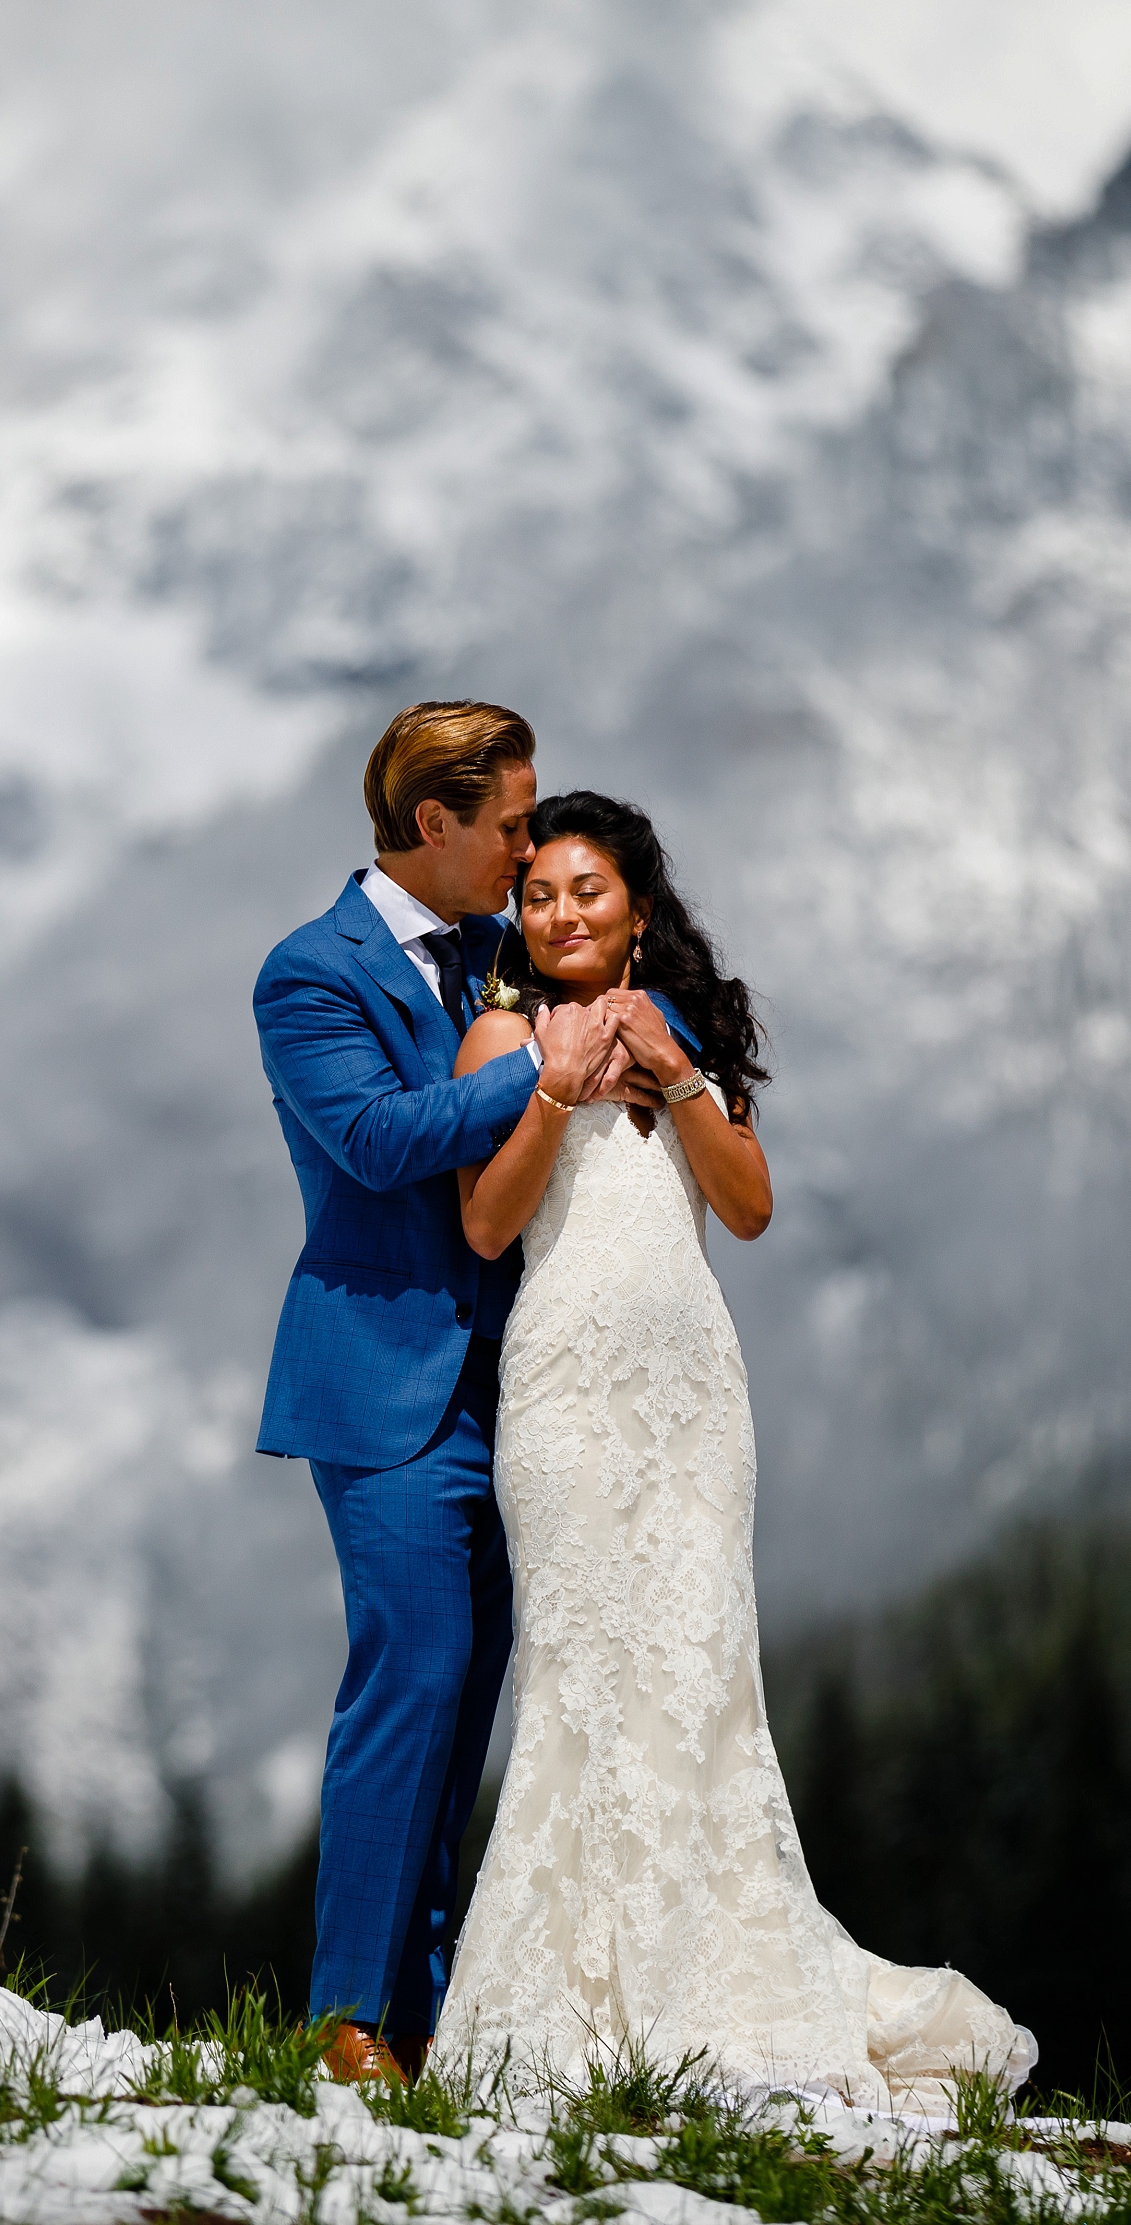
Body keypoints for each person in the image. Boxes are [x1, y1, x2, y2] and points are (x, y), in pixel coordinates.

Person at [432, 789, 1037, 2107]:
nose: (559, 912)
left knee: (702, 1676)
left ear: (639, 910)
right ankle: (574, 1997)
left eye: (586, 890)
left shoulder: (679, 1035)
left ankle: (717, 1981)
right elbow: (485, 1224)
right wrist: (553, 1085)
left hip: (694, 1396)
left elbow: (750, 1209)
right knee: (584, 1674)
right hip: (568, 1393)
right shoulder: (497, 1030)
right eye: (538, 894)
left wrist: (674, 1064)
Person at [249, 702, 642, 2086]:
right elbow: (374, 1139)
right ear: (435, 824)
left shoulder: (496, 951)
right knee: (407, 1677)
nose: (527, 850)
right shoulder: (308, 974)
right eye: (512, 826)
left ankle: (416, 2015)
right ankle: (344, 2015)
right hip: (385, 1390)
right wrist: (544, 1066)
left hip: (517, 1389)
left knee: (468, 1694)